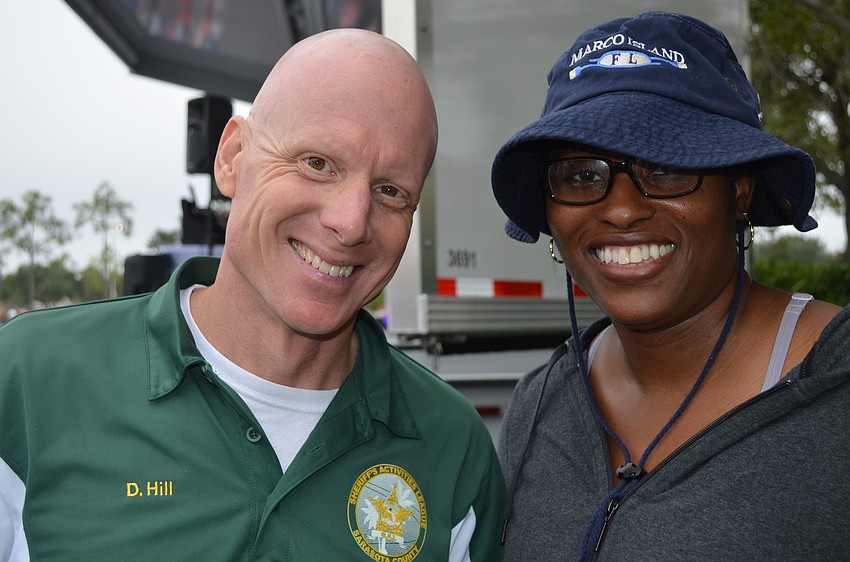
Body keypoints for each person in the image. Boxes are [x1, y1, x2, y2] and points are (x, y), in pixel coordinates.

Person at [0, 29, 505, 561]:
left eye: (390, 191)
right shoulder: (31, 382)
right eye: (317, 163)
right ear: (232, 157)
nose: (352, 222)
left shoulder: (454, 447)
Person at [491, 11, 850, 561]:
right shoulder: (541, 403)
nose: (622, 208)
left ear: (739, 190)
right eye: (583, 174)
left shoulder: (835, 387)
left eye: (665, 166)